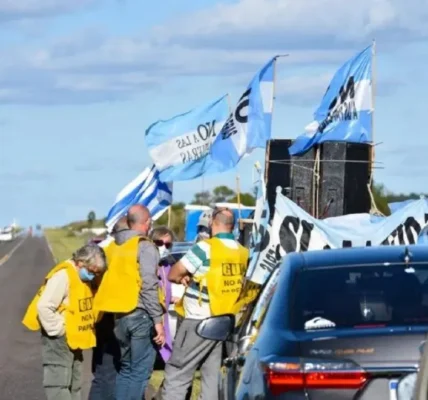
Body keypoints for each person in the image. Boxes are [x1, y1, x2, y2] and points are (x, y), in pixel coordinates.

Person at [161, 207, 249, 400]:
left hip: (198, 320)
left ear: (212, 223)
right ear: (232, 226)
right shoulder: (242, 252)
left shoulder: (205, 248)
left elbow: (174, 273)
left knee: (177, 372)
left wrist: (184, 277)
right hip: (224, 321)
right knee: (211, 376)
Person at [94, 204, 165, 400]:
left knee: (126, 369)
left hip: (119, 316)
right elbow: (149, 285)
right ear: (147, 222)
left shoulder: (116, 247)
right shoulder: (144, 246)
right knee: (140, 372)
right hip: (140, 314)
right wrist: (158, 321)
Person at [22, 244, 106, 400]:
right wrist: (60, 329)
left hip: (75, 340)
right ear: (80, 262)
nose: (93, 276)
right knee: (58, 386)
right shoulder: (63, 276)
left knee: (75, 384)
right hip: (59, 340)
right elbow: (44, 306)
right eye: (91, 271)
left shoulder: (81, 278)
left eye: (96, 273)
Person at [88, 216, 129, 400]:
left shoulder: (102, 248)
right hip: (111, 316)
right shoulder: (119, 250)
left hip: (101, 315)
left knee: (102, 371)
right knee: (109, 371)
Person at [149, 226, 177, 363]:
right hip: (149, 319)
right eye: (159, 243)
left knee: (167, 357)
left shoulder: (167, 266)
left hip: (163, 319)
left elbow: (165, 291)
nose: (163, 247)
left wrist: (171, 299)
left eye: (168, 244)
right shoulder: (147, 265)